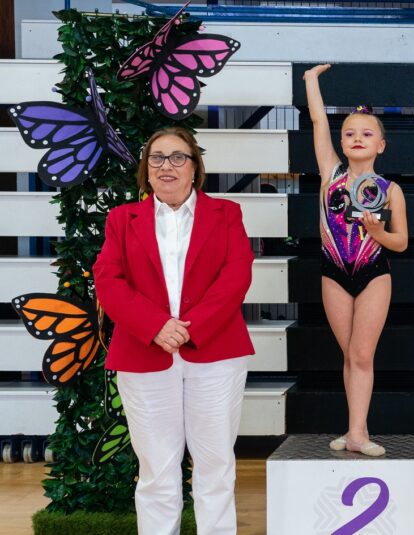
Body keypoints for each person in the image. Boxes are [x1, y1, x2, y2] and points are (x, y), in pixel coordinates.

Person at [94, 126, 254, 534]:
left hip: (216, 354)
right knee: (156, 473)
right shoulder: (121, 219)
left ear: (195, 167)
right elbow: (108, 280)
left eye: (178, 157)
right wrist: (155, 327)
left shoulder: (227, 213)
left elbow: (236, 276)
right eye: (157, 157)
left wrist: (188, 328)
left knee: (216, 467)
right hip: (144, 355)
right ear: (146, 170)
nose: (167, 166)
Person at [303, 64, 410, 456]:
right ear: (341, 142)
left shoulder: (390, 189)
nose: (356, 138)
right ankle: (353, 431)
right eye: (349, 133)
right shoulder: (330, 175)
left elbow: (401, 242)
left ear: (381, 144)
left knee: (362, 354)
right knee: (349, 354)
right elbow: (317, 119)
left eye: (367, 134)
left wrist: (378, 233)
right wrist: (311, 81)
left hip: (372, 273)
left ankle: (359, 433)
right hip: (333, 271)